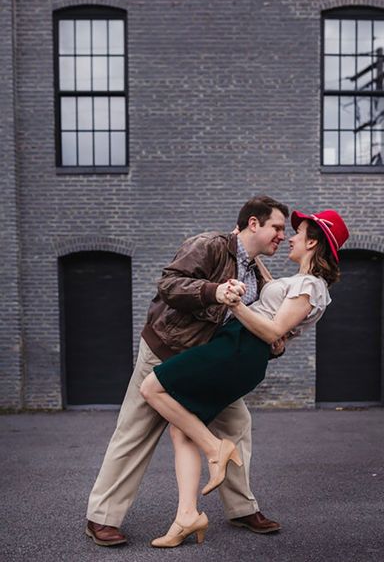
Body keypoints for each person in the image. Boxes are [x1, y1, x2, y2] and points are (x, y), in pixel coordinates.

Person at [86, 195, 289, 546]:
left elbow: (244, 326)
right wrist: (215, 291)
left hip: (204, 364)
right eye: (277, 227)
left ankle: (241, 508)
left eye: (284, 231)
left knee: (237, 424)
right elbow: (169, 284)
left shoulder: (258, 273)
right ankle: (101, 518)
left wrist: (272, 343)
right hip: (166, 352)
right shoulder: (209, 245)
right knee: (136, 431)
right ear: (253, 223)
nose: (282, 237)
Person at [140, 208, 349, 548]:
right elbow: (264, 281)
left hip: (240, 349)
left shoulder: (311, 286)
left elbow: (273, 331)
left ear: (312, 242)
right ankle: (187, 516)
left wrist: (234, 303)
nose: (290, 238)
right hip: (237, 346)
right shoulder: (296, 282)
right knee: (181, 428)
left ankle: (215, 448)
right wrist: (244, 247)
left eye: (297, 233)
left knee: (152, 388)